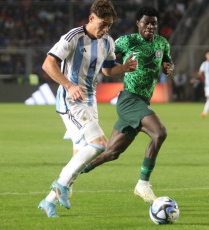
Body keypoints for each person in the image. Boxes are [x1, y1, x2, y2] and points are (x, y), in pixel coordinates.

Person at [38, 0, 138, 218]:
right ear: (91, 18)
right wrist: (69, 85)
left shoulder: (108, 42)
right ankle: (61, 184)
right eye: (102, 24)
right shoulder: (73, 37)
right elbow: (48, 64)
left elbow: (108, 70)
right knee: (100, 144)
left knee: (82, 157)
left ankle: (48, 201)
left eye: (109, 26)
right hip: (70, 100)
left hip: (90, 102)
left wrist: (125, 68)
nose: (105, 30)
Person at [81, 6, 174, 203]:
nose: (150, 26)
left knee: (111, 153)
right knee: (160, 133)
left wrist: (168, 66)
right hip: (129, 99)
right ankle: (143, 184)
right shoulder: (127, 41)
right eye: (146, 22)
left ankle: (75, 172)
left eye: (154, 23)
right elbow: (106, 57)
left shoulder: (162, 43)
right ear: (138, 24)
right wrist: (117, 66)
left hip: (142, 102)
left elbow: (167, 61)